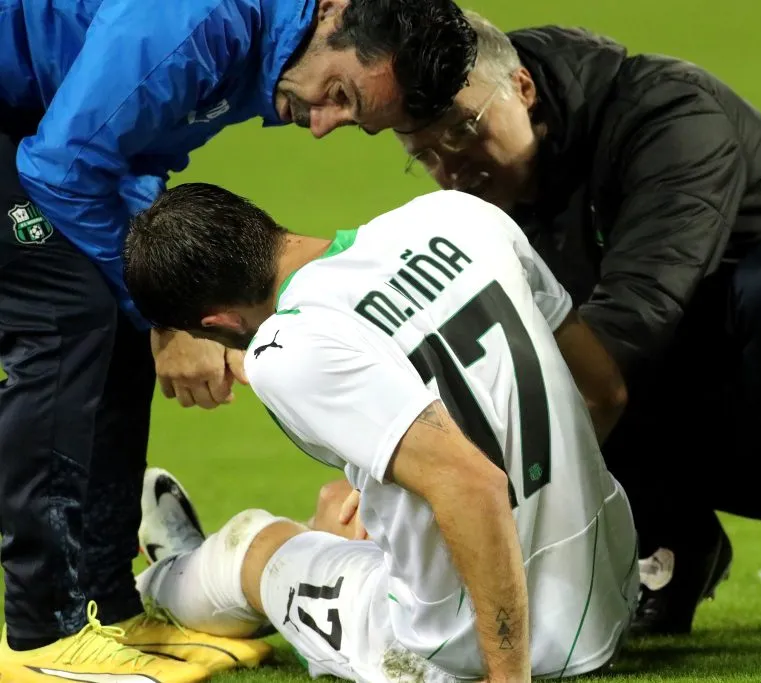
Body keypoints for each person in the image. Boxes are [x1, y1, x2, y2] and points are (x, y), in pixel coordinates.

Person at [394, 12, 761, 648]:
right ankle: (677, 545)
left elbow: (640, 313)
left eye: (465, 129)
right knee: (551, 341)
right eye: (426, 154)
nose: (453, 166)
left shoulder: (669, 112)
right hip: (704, 386)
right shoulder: (491, 198)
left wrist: (494, 476)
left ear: (522, 87)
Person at [0, 1, 476, 680]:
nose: (319, 124)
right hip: (35, 142)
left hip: (31, 125)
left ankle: (104, 603)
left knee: (112, 301)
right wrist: (166, 317)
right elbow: (63, 171)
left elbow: (127, 160)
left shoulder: (264, 54)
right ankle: (41, 634)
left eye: (349, 119)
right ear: (334, 12)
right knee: (70, 311)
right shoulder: (195, 21)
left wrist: (157, 304)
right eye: (337, 95)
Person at [121, 183, 640, 682]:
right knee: (350, 510)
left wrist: (506, 675)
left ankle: (159, 584)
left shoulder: (285, 349)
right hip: (607, 597)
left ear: (221, 321)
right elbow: (605, 393)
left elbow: (471, 483)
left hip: (456, 649)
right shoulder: (460, 215)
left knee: (252, 546)